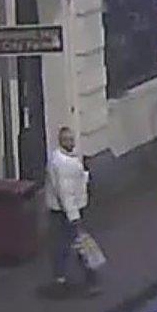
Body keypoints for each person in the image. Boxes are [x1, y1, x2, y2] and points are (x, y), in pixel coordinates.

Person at [46, 126, 99, 296]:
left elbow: (73, 183)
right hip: (67, 211)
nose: (71, 142)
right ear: (61, 142)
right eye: (67, 140)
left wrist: (84, 176)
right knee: (76, 243)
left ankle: (62, 277)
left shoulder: (65, 158)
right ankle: (88, 277)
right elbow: (65, 192)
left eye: (71, 139)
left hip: (67, 209)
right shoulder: (62, 163)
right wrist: (74, 216)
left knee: (69, 244)